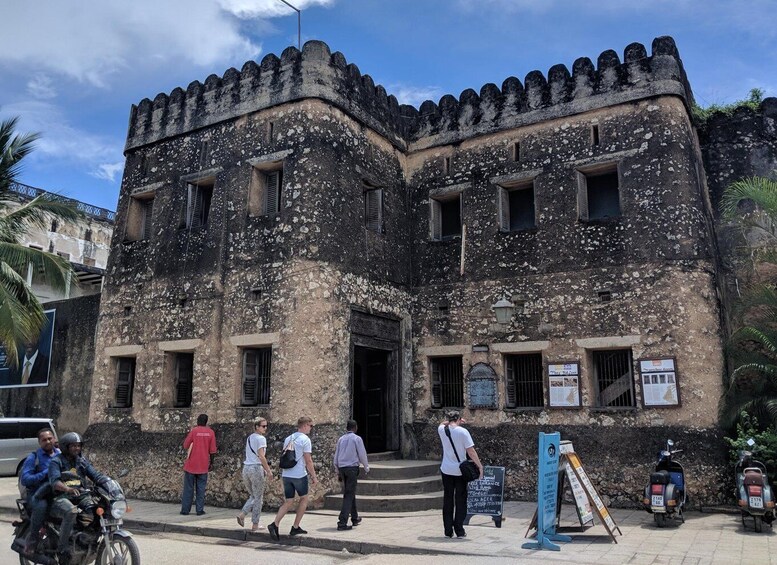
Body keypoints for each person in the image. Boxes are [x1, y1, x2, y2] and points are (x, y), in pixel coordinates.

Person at [48, 432, 109, 565]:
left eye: (79, 446)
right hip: (60, 497)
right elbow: (55, 482)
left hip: (80, 495)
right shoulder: (56, 461)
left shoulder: (81, 461)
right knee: (71, 511)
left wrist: (108, 482)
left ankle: (85, 539)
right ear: (65, 447)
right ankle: (62, 549)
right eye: (73, 446)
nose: (77, 448)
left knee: (96, 510)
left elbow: (95, 475)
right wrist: (67, 489)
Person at [267, 416, 318, 541]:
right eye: (310, 426)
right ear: (305, 425)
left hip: (286, 474)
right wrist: (314, 477)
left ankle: (275, 524)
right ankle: (295, 526)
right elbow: (308, 461)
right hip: (299, 474)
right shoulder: (305, 439)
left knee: (288, 501)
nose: (311, 428)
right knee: (304, 498)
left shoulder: (289, 438)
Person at [438, 410, 483, 539]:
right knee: (461, 499)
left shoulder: (442, 430)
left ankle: (447, 529)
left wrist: (452, 421)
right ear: (459, 419)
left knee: (448, 499)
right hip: (459, 471)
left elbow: (442, 423)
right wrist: (479, 466)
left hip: (446, 469)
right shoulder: (463, 432)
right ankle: (459, 529)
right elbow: (471, 451)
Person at [20, 428, 60, 554]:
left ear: (54, 439)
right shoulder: (34, 457)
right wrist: (45, 473)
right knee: (42, 505)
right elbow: (25, 479)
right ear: (39, 442)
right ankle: (32, 540)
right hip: (37, 494)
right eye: (44, 440)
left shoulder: (60, 454)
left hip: (56, 492)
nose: (48, 441)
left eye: (50, 438)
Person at [236, 418, 273, 531]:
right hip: (256, 468)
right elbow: (261, 456)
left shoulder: (250, 438)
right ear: (257, 426)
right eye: (263, 426)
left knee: (254, 496)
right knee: (258, 498)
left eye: (266, 426)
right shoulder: (261, 439)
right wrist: (268, 471)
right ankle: (254, 524)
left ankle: (243, 515)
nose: (265, 428)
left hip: (246, 468)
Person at [333, 419, 369, 531]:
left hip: (342, 468)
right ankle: (342, 522)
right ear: (355, 427)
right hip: (352, 468)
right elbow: (362, 454)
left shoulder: (341, 439)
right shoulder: (357, 439)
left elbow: (336, 455)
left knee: (350, 492)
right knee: (349, 494)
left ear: (346, 428)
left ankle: (355, 518)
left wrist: (337, 469)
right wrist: (366, 466)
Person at [181, 413, 217, 516]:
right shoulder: (210, 433)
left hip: (191, 464)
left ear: (198, 421)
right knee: (201, 489)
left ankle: (185, 510)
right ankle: (199, 510)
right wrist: (211, 463)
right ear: (206, 422)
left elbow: (185, 445)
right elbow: (213, 450)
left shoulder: (194, 431)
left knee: (188, 488)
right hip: (203, 464)